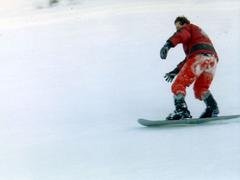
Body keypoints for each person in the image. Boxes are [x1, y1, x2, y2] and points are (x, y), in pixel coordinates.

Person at [160, 16, 219, 120]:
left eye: (178, 27)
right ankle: (212, 108)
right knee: (201, 88)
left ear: (184, 24)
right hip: (212, 60)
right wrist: (175, 71)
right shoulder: (198, 35)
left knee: (178, 84)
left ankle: (181, 111)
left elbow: (182, 35)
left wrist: (168, 45)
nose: (177, 30)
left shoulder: (188, 28)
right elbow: (189, 58)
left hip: (200, 57)